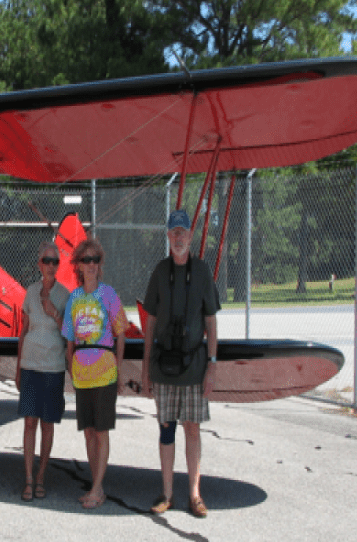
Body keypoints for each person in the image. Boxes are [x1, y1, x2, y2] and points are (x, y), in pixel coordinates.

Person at [141, 210, 220, 518]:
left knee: (192, 429)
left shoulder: (202, 272)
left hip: (194, 366)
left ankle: (195, 494)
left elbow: (211, 322)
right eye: (173, 232)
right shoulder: (160, 272)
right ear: (168, 236)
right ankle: (167, 493)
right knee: (166, 429)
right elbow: (150, 322)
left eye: (182, 232)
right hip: (164, 366)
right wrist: (147, 367)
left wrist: (212, 365)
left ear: (191, 236)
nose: (178, 237)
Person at [61, 238, 128, 510]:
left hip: (104, 372)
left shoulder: (109, 295)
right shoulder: (74, 298)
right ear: (78, 265)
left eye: (94, 260)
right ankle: (94, 484)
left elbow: (121, 333)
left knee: (101, 431)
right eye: (85, 260)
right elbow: (69, 339)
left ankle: (98, 487)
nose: (90, 265)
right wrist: (72, 367)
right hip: (82, 373)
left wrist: (117, 367)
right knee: (88, 432)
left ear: (100, 265)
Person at [15, 242, 70, 501]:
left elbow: (70, 334)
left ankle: (41, 477)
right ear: (39, 264)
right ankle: (27, 478)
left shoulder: (65, 295)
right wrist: (18, 367)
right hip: (30, 365)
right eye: (46, 261)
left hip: (53, 367)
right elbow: (24, 329)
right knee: (29, 423)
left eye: (55, 262)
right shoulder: (30, 292)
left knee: (47, 425)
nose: (50, 265)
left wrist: (55, 314)